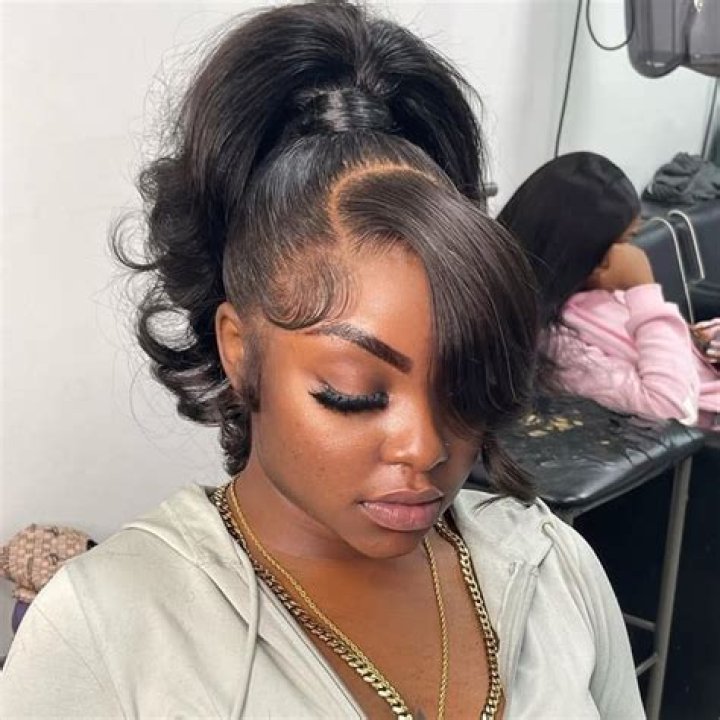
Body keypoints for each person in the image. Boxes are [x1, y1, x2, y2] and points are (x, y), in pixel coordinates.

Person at [0, 5, 644, 718]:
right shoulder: (102, 635)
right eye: (352, 394)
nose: (426, 448)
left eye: (463, 385)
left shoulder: (554, 568)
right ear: (240, 350)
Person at [499, 151, 720, 430]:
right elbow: (671, 408)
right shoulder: (560, 346)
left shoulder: (602, 293)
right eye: (626, 241)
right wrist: (644, 289)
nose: (632, 254)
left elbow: (668, 346)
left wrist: (705, 338)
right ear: (588, 253)